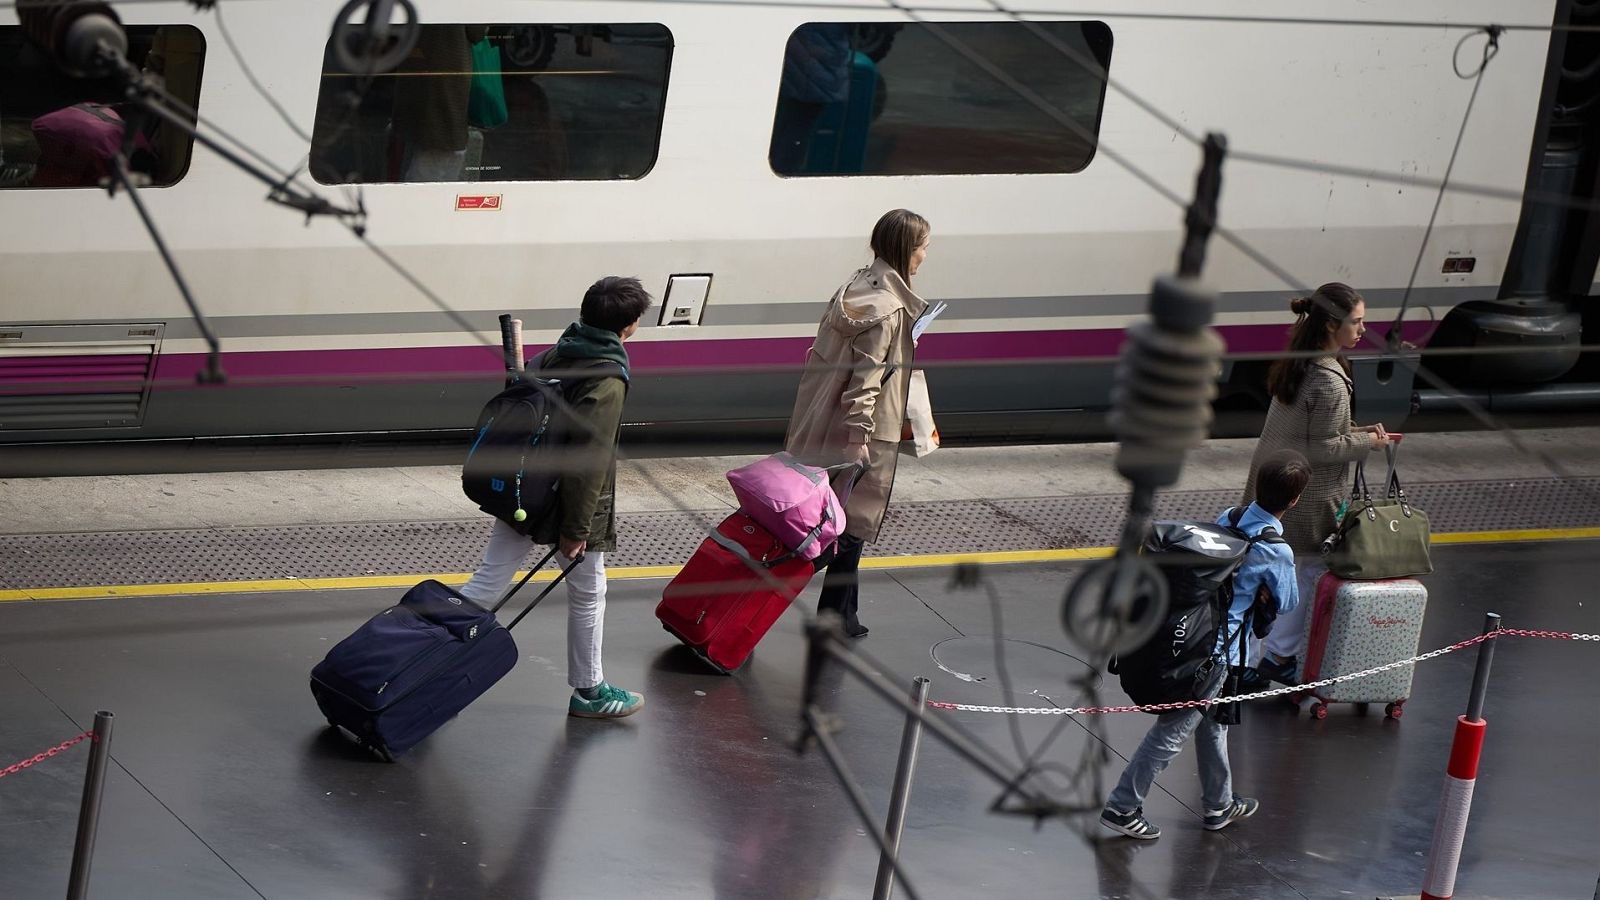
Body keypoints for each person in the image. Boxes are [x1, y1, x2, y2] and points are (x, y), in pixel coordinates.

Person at [458, 276, 652, 718]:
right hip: (560, 502)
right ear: (629, 326)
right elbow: (588, 460)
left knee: (487, 584)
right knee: (589, 592)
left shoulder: (558, 351)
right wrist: (576, 530)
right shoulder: (606, 378)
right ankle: (590, 691)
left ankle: (417, 653)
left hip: (522, 488)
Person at [1101, 449, 1310, 840]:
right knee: (1172, 733)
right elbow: (1290, 602)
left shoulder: (1229, 517)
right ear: (1295, 500)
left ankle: (1219, 804)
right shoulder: (1276, 550)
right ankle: (1122, 806)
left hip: (1195, 637)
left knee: (1213, 726)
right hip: (1215, 656)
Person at [784, 208, 931, 637]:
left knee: (843, 525)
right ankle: (753, 604)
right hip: (860, 433)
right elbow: (866, 381)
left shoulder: (857, 285)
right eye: (923, 248)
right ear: (907, 251)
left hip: (819, 418)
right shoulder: (888, 311)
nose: (925, 256)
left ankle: (840, 614)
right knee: (837, 530)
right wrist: (857, 439)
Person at [1244, 283, 1392, 686]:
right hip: (1305, 497)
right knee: (1299, 577)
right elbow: (1324, 447)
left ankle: (1249, 660)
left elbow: (1310, 431)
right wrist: (1369, 442)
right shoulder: (1328, 377)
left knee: (1260, 575)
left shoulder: (1300, 361)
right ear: (1331, 325)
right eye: (1357, 322)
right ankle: (1278, 657)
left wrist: (1356, 432)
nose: (1363, 330)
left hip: (1271, 483)